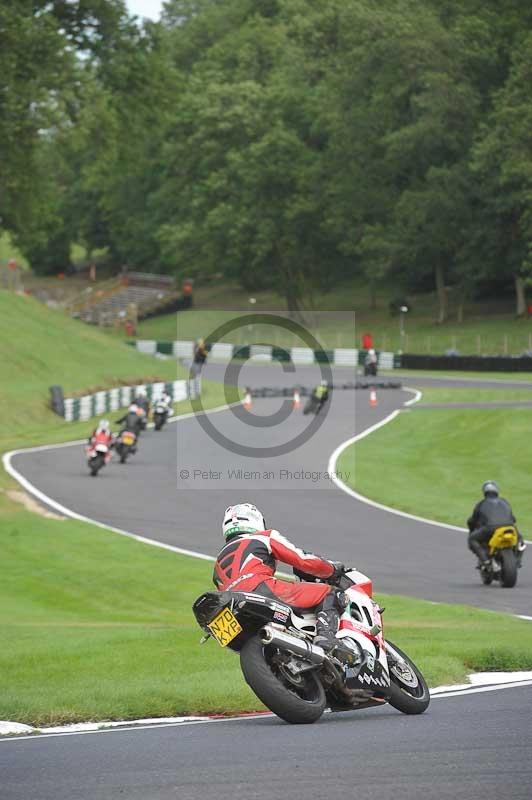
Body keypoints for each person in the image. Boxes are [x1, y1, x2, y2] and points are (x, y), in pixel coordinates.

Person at [213, 503, 354, 659]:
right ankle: (327, 639)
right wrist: (332, 569)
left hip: (230, 606)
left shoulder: (219, 559)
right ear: (256, 520)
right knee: (330, 593)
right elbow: (304, 560)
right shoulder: (263, 537)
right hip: (261, 589)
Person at [467, 481, 526, 567]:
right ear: (497, 491)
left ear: (484, 492)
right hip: (510, 526)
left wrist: (471, 530)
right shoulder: (505, 502)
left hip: (490, 528)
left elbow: (472, 520)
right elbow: (513, 519)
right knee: (520, 540)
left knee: (472, 539)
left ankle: (486, 561)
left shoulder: (481, 504)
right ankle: (518, 559)